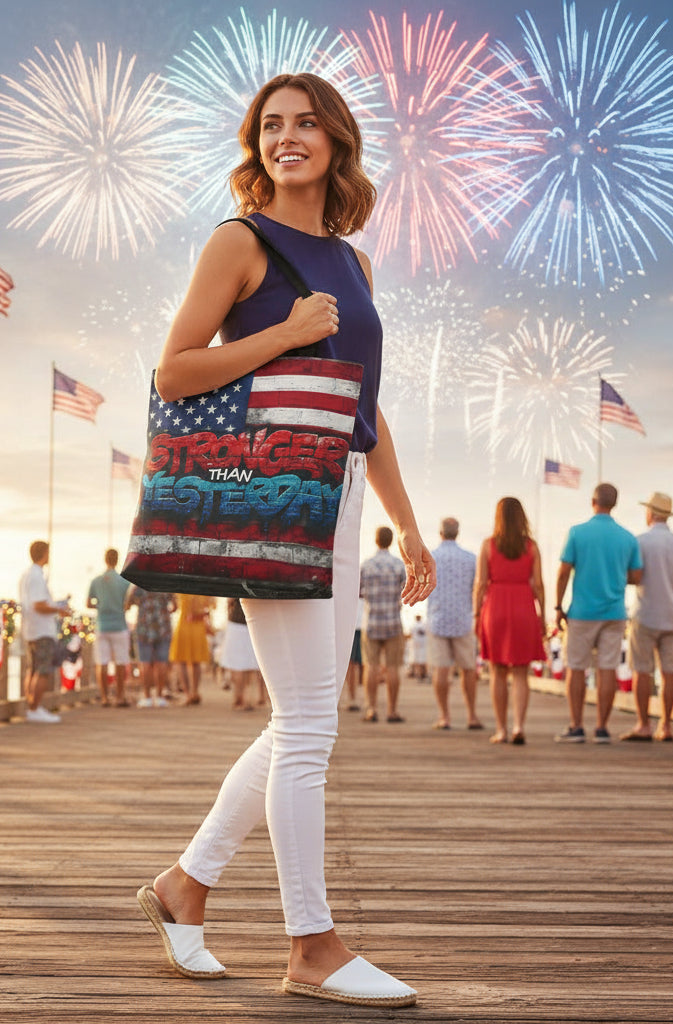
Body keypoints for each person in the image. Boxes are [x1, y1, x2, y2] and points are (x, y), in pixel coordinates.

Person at [135, 73, 433, 1008]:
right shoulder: (240, 241)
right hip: (267, 497)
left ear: (336, 142)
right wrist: (287, 334)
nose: (287, 138)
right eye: (272, 127)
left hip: (338, 496)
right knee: (307, 724)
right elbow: (175, 371)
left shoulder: (355, 262)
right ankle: (312, 945)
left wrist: (408, 522)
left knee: (300, 717)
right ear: (256, 144)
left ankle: (186, 887)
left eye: (306, 124)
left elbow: (364, 412)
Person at [554, 483, 642, 743]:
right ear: (614, 504)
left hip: (581, 611)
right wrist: (613, 575)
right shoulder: (627, 537)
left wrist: (559, 606)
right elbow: (636, 576)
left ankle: (576, 726)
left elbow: (563, 573)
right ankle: (602, 728)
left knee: (577, 669)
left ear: (592, 501)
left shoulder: (577, 533)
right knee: (607, 670)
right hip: (614, 612)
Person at [620, 493, 673, 742]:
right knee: (669, 672)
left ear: (650, 514)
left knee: (642, 671)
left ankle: (643, 724)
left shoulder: (640, 542)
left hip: (646, 613)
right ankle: (666, 726)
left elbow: (634, 576)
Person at [473, 498, 546, 744]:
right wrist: (543, 615)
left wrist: (476, 614)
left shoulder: (487, 546)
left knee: (497, 671)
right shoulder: (532, 547)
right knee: (521, 673)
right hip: (524, 606)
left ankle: (502, 729)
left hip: (495, 608)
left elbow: (481, 584)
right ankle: (518, 727)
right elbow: (538, 585)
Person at [427, 517, 483, 731]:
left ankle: (445, 716)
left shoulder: (431, 557)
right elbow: (475, 589)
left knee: (441, 669)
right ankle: (472, 716)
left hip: (438, 618)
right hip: (463, 618)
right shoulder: (470, 558)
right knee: (468, 669)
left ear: (441, 533)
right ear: (457, 533)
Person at [359, 525, 409, 723]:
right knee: (393, 668)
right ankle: (392, 710)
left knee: (370, 666)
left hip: (371, 621)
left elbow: (358, 592)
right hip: (393, 622)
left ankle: (371, 709)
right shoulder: (398, 565)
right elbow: (405, 593)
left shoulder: (367, 565)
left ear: (376, 540)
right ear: (391, 541)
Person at [18, 540, 71, 724]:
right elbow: (39, 605)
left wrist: (57, 605)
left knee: (32, 669)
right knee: (43, 671)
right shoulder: (36, 576)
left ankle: (32, 707)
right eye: (48, 552)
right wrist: (59, 610)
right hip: (41, 630)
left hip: (30, 628)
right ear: (43, 553)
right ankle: (34, 708)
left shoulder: (27, 575)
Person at [87, 548, 132, 707]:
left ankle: (105, 698)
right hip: (119, 625)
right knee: (120, 662)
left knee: (102, 662)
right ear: (117, 559)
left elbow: (88, 603)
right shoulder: (124, 582)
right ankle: (120, 696)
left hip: (102, 625)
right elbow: (128, 603)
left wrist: (101, 605)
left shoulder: (96, 580)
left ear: (105, 560)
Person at [126, 585, 176, 707]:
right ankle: (159, 697)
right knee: (162, 662)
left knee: (145, 663)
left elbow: (127, 605)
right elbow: (175, 606)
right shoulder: (166, 582)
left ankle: (147, 697)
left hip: (144, 628)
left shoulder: (139, 584)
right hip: (163, 627)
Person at [168, 594, 213, 706]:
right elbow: (209, 609)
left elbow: (174, 608)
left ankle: (188, 694)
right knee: (195, 662)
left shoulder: (180, 588)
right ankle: (195, 692)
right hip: (198, 627)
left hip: (183, 625)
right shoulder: (203, 589)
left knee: (181, 661)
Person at [220, 598, 261, 711]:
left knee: (237, 665)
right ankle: (245, 698)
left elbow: (230, 600)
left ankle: (239, 699)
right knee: (248, 665)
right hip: (251, 622)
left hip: (236, 624)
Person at [408, 614, 428, 679]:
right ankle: (421, 673)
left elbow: (410, 634)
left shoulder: (413, 625)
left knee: (416, 660)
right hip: (422, 644)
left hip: (416, 644)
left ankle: (418, 673)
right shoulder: (424, 625)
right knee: (422, 660)